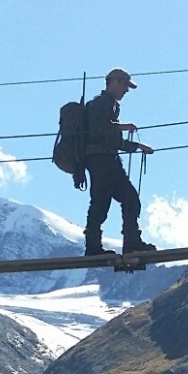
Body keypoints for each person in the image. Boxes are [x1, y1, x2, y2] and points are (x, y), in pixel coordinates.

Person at [75, 67, 155, 255]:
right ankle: (96, 247)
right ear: (114, 82)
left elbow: (110, 138)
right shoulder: (101, 103)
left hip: (108, 159)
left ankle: (130, 243)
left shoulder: (109, 105)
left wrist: (137, 146)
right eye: (125, 86)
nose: (126, 91)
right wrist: (123, 128)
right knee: (104, 202)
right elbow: (100, 131)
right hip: (100, 161)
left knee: (127, 199)